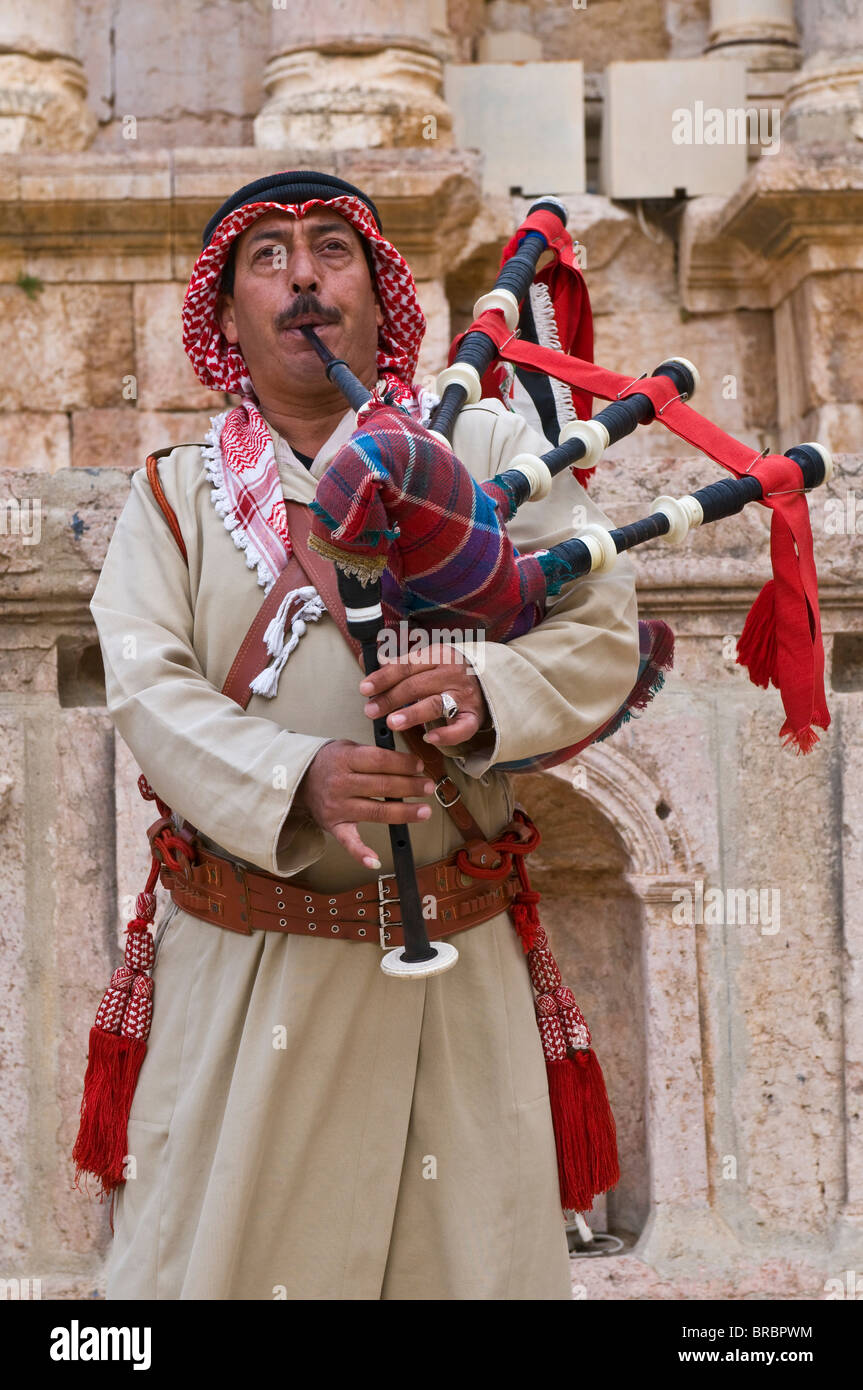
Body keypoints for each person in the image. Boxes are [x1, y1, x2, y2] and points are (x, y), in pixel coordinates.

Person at [88, 169, 641, 1300]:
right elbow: (147, 686)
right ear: (230, 311)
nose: (303, 275)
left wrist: (488, 689)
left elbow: (599, 628)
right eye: (269, 256)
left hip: (453, 973)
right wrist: (300, 777)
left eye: (332, 248)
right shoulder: (174, 495)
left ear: (378, 292)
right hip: (250, 976)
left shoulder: (481, 447)